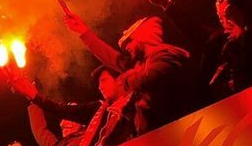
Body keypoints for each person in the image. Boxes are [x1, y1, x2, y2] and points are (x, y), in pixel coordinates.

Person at [63, 12, 191, 136]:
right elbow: (109, 56)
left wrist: (124, 79)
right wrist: (83, 31)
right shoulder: (139, 65)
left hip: (174, 132)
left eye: (129, 41)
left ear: (143, 38)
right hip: (154, 135)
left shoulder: (165, 54)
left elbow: (151, 79)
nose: (126, 47)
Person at [12, 65, 132, 146]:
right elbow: (62, 110)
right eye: (99, 83)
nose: (100, 86)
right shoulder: (97, 110)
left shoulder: (134, 105)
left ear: (120, 80)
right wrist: (34, 97)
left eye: (104, 80)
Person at [199, 0, 252, 101]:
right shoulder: (221, 41)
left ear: (242, 10)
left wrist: (243, 37)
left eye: (229, 14)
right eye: (221, 18)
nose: (226, 22)